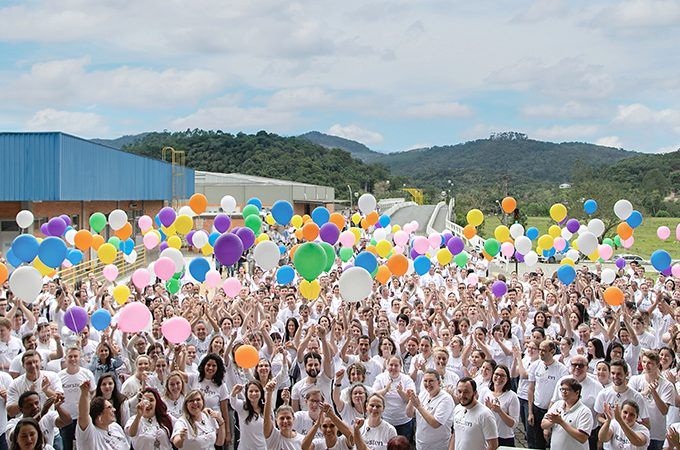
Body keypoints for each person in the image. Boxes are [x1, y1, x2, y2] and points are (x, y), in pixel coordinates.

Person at [628, 350, 675, 450]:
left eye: (650, 363)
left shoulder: (667, 385)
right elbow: (629, 402)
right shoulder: (635, 380)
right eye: (644, 362)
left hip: (656, 433)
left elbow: (664, 410)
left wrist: (654, 392)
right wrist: (644, 393)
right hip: (637, 430)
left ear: (657, 365)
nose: (646, 366)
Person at [527, 339, 568, 449]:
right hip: (537, 408)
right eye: (540, 350)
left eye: (544, 350)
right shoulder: (535, 365)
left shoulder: (562, 370)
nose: (541, 353)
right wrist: (530, 412)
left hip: (553, 411)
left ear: (552, 351)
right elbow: (531, 388)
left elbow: (562, 395)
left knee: (552, 440)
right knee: (537, 441)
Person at [405, 369, 454, 450]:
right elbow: (409, 414)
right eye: (425, 381)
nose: (428, 384)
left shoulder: (446, 399)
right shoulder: (423, 394)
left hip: (438, 446)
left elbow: (435, 423)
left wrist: (419, 406)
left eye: (431, 381)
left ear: (438, 382)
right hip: (421, 444)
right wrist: (411, 399)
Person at [58, 347, 95, 450]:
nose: (73, 359)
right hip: (66, 418)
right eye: (70, 356)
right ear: (66, 358)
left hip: (83, 417)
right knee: (67, 446)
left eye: (75, 356)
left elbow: (93, 392)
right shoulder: (59, 376)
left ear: (80, 358)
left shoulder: (87, 373)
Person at [372, 356, 416, 441]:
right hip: (385, 421)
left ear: (400, 367)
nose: (393, 368)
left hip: (403, 422)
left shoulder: (407, 379)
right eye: (391, 365)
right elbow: (373, 396)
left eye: (396, 365)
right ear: (387, 365)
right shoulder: (380, 378)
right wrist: (385, 390)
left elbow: (411, 400)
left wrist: (401, 392)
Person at [76, 379, 129, 449]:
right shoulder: (90, 434)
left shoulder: (115, 427)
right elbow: (83, 415)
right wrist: (84, 393)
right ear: (99, 416)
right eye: (109, 407)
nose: (114, 410)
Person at [541, 378, 593, 450]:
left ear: (577, 392)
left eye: (567, 390)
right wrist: (552, 421)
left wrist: (561, 422)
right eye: (562, 389)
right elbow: (543, 424)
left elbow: (582, 438)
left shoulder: (584, 411)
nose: (563, 392)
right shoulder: (557, 404)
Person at [451, 377, 498, 450]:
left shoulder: (485, 414)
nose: (462, 395)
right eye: (459, 392)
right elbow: (455, 434)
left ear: (475, 393)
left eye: (466, 392)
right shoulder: (457, 408)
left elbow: (493, 446)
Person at [481, 364, 520, 447]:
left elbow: (513, 424)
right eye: (496, 374)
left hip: (504, 438)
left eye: (502, 376)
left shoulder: (512, 396)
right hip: (486, 436)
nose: (499, 378)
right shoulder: (484, 391)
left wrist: (500, 411)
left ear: (507, 379)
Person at [263, 380, 304, 450]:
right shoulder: (273, 436)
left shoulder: (302, 439)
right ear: (276, 420)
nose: (285, 421)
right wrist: (269, 394)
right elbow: (267, 419)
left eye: (288, 418)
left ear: (293, 418)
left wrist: (286, 402)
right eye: (281, 418)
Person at [229, 382, 266, 450]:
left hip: (262, 447)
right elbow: (233, 402)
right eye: (251, 391)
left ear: (261, 392)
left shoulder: (266, 409)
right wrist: (234, 392)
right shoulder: (242, 406)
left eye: (257, 391)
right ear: (246, 393)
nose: (254, 393)